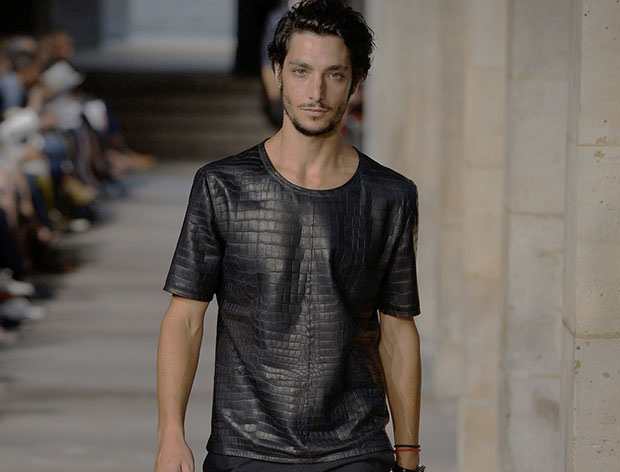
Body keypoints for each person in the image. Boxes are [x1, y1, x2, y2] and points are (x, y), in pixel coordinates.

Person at [155, 1, 424, 471]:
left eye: (334, 75)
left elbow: (398, 331)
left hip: (354, 449)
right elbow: (185, 320)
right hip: (245, 447)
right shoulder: (222, 186)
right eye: (301, 71)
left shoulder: (390, 195)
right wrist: (170, 437)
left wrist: (407, 454)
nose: (315, 92)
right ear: (277, 72)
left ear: (356, 81)